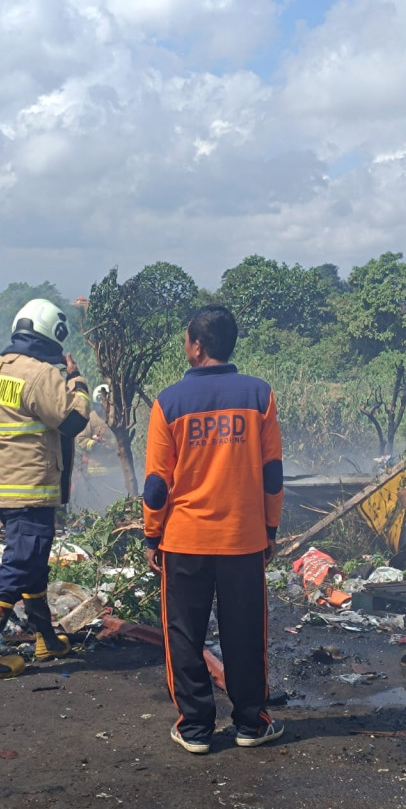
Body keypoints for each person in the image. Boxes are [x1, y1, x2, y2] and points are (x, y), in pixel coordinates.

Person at [143, 305, 285, 753]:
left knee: (184, 635)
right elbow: (273, 474)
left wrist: (151, 536)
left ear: (198, 346)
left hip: (184, 540)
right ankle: (250, 724)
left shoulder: (169, 402)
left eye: (187, 340)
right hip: (243, 539)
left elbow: (156, 484)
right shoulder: (259, 395)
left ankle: (195, 729)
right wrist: (270, 528)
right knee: (245, 633)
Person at [0, 298, 91, 679]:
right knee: (19, 567)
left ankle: (45, 638)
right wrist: (78, 382)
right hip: (31, 491)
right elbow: (73, 420)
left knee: (33, 564)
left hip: (2, 492)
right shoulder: (40, 374)